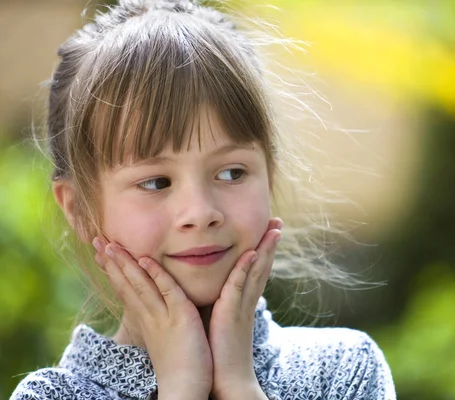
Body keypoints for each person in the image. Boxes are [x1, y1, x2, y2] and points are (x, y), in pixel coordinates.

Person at [10, 0, 395, 399]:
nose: (200, 213)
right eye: (157, 182)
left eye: (232, 173)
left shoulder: (342, 370)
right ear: (79, 208)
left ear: (269, 177)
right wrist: (181, 388)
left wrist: (239, 383)